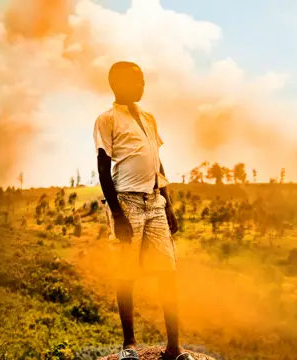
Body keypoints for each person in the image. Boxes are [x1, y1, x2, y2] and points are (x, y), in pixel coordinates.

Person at [93, 61, 194, 360]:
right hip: (127, 201)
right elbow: (102, 167)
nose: (143, 85)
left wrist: (168, 202)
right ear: (118, 84)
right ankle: (129, 347)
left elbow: (156, 161)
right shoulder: (107, 119)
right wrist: (118, 214)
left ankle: (174, 348)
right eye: (138, 81)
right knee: (126, 275)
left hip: (155, 202)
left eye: (143, 80)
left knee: (168, 273)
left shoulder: (149, 118)